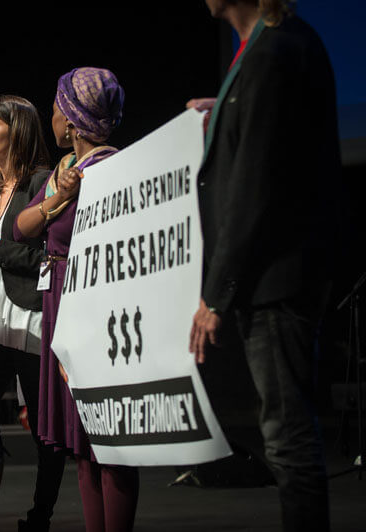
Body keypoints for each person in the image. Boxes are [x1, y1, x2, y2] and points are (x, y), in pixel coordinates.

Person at [187, 2, 342, 530]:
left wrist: (215, 294)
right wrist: (224, 109)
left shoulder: (276, 51)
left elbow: (255, 189)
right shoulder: (268, 49)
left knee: (286, 436)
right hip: (277, 275)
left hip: (276, 278)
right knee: (284, 432)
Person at [14, 68, 138, 532]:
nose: (51, 118)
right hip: (58, 301)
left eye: (55, 109)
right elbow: (19, 229)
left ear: (72, 119)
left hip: (94, 305)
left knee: (109, 443)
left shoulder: (112, 169)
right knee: (82, 443)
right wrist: (58, 201)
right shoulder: (66, 171)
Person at [0, 94, 66, 532]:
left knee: (42, 432)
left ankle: (40, 516)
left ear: (17, 130)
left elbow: (50, 261)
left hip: (30, 321)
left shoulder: (42, 181)